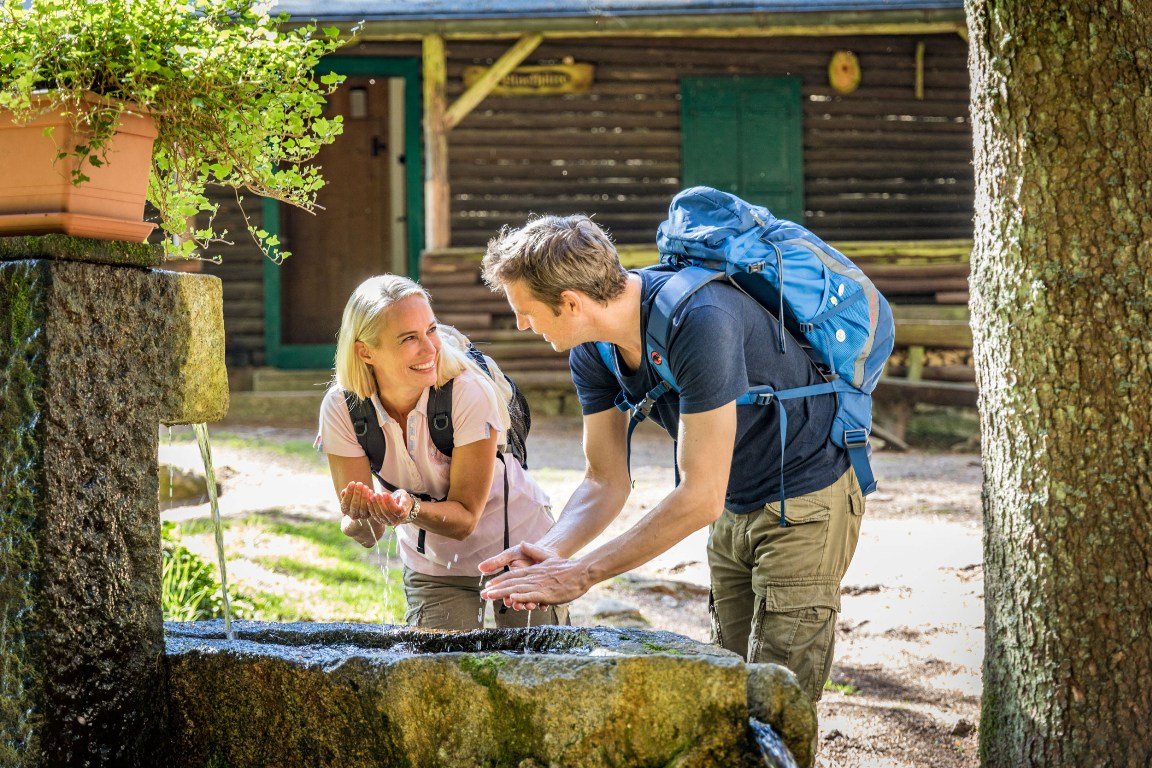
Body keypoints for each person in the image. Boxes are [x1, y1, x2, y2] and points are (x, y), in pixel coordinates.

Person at [477, 215, 863, 702]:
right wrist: (553, 549)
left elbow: (699, 497)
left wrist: (583, 573)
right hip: (734, 503)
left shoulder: (700, 321)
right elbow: (604, 481)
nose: (521, 324)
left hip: (807, 499)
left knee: (777, 698)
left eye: (525, 310)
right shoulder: (592, 350)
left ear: (570, 303)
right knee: (727, 685)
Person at [317, 274, 567, 630]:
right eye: (409, 339)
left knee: (535, 674)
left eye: (431, 330)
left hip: (521, 550)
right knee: (438, 678)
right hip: (433, 564)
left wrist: (410, 508)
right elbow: (368, 535)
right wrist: (361, 515)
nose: (430, 348)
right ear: (365, 351)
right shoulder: (343, 408)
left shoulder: (467, 391)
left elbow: (465, 519)